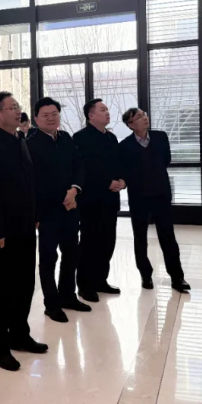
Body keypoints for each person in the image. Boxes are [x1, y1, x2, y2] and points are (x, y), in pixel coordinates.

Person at [0, 92, 46, 373]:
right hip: (2, 232)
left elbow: (30, 183)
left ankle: (19, 335)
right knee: (2, 288)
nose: (18, 111)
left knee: (25, 283)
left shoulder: (20, 140)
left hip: (25, 226)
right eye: (12, 107)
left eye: (18, 107)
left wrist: (35, 215)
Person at [26, 98, 91, 323]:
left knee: (72, 253)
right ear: (36, 119)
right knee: (48, 258)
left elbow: (79, 166)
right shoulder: (30, 144)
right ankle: (51, 304)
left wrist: (74, 190)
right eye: (45, 115)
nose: (51, 118)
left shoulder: (66, 138)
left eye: (54, 114)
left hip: (70, 207)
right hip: (46, 211)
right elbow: (33, 181)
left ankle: (68, 296)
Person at [119, 108, 190, 294]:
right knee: (140, 237)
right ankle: (145, 274)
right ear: (131, 125)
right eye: (139, 117)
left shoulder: (160, 137)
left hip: (161, 194)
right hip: (138, 197)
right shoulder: (125, 146)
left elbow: (166, 160)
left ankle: (177, 277)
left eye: (144, 115)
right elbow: (125, 170)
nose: (145, 118)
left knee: (168, 236)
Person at [73, 99, 125, 303]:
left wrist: (122, 180)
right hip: (91, 200)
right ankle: (85, 285)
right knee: (89, 242)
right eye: (102, 110)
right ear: (91, 115)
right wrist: (106, 182)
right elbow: (84, 169)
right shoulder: (80, 138)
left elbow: (119, 164)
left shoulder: (111, 138)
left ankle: (100, 280)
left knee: (107, 241)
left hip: (111, 199)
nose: (107, 112)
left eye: (107, 109)